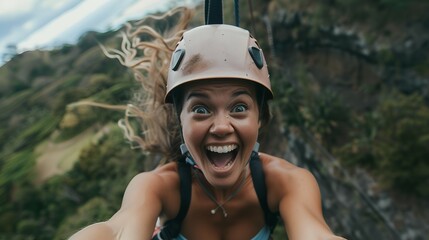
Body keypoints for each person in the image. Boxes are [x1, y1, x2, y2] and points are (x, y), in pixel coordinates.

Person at [69, 7, 346, 240]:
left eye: (239, 108)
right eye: (201, 109)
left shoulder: (286, 182)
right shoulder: (157, 187)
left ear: (260, 117)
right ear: (180, 119)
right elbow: (117, 230)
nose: (222, 127)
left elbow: (315, 233)